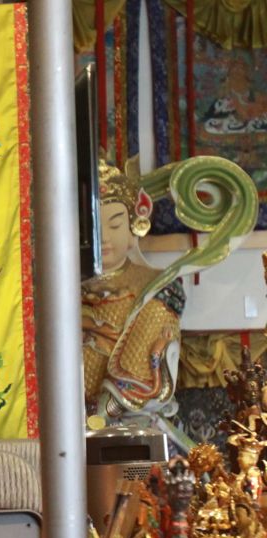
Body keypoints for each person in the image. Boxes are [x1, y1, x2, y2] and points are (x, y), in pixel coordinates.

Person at [81, 158, 182, 420]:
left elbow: (148, 353)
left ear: (134, 227)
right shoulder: (57, 288)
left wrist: (106, 410)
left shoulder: (158, 285)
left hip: (123, 414)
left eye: (115, 225)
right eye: (93, 227)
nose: (104, 237)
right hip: (59, 410)